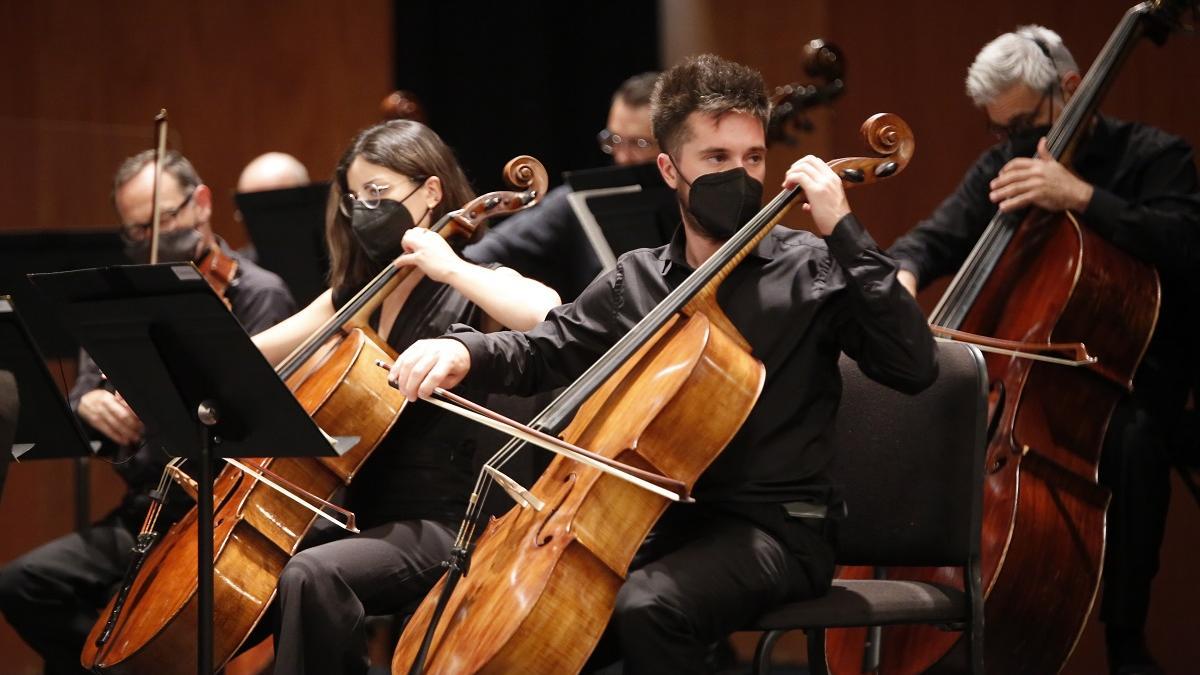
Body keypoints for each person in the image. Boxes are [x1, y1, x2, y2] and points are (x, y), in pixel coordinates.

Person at [388, 54, 937, 674]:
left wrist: (845, 229)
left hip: (779, 532)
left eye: (753, 158)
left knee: (648, 607)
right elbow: (548, 348)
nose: (741, 175)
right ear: (670, 168)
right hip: (663, 524)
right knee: (547, 628)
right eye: (717, 159)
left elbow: (913, 364)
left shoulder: (813, 266)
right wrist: (463, 350)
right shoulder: (639, 280)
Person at [886, 25, 1200, 675]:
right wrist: (906, 271)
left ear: (1071, 88)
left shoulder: (1154, 156)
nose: (1014, 146)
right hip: (1031, 386)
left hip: (1134, 378)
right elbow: (935, 235)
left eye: (1024, 124)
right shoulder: (1005, 162)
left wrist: (1084, 198)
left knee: (1136, 443)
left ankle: (1126, 640)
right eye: (1001, 132)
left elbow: (1186, 246)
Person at [248, 119, 561, 674]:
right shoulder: (361, 296)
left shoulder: (472, 284)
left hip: (454, 522)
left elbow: (548, 313)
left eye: (379, 192)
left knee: (315, 575)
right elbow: (254, 352)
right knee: (253, 563)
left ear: (431, 192)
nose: (364, 209)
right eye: (354, 197)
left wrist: (452, 267)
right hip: (369, 515)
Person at [0, 150, 296, 675]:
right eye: (137, 230)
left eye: (163, 219)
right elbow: (87, 391)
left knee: (139, 622)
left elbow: (264, 422)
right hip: (145, 509)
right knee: (24, 584)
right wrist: (84, 402)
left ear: (201, 203)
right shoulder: (117, 300)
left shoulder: (259, 295)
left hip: (221, 515)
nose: (151, 237)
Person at [463, 71, 661, 302]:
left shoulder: (696, 203)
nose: (623, 157)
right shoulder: (578, 200)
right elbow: (495, 246)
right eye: (614, 140)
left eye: (640, 143)